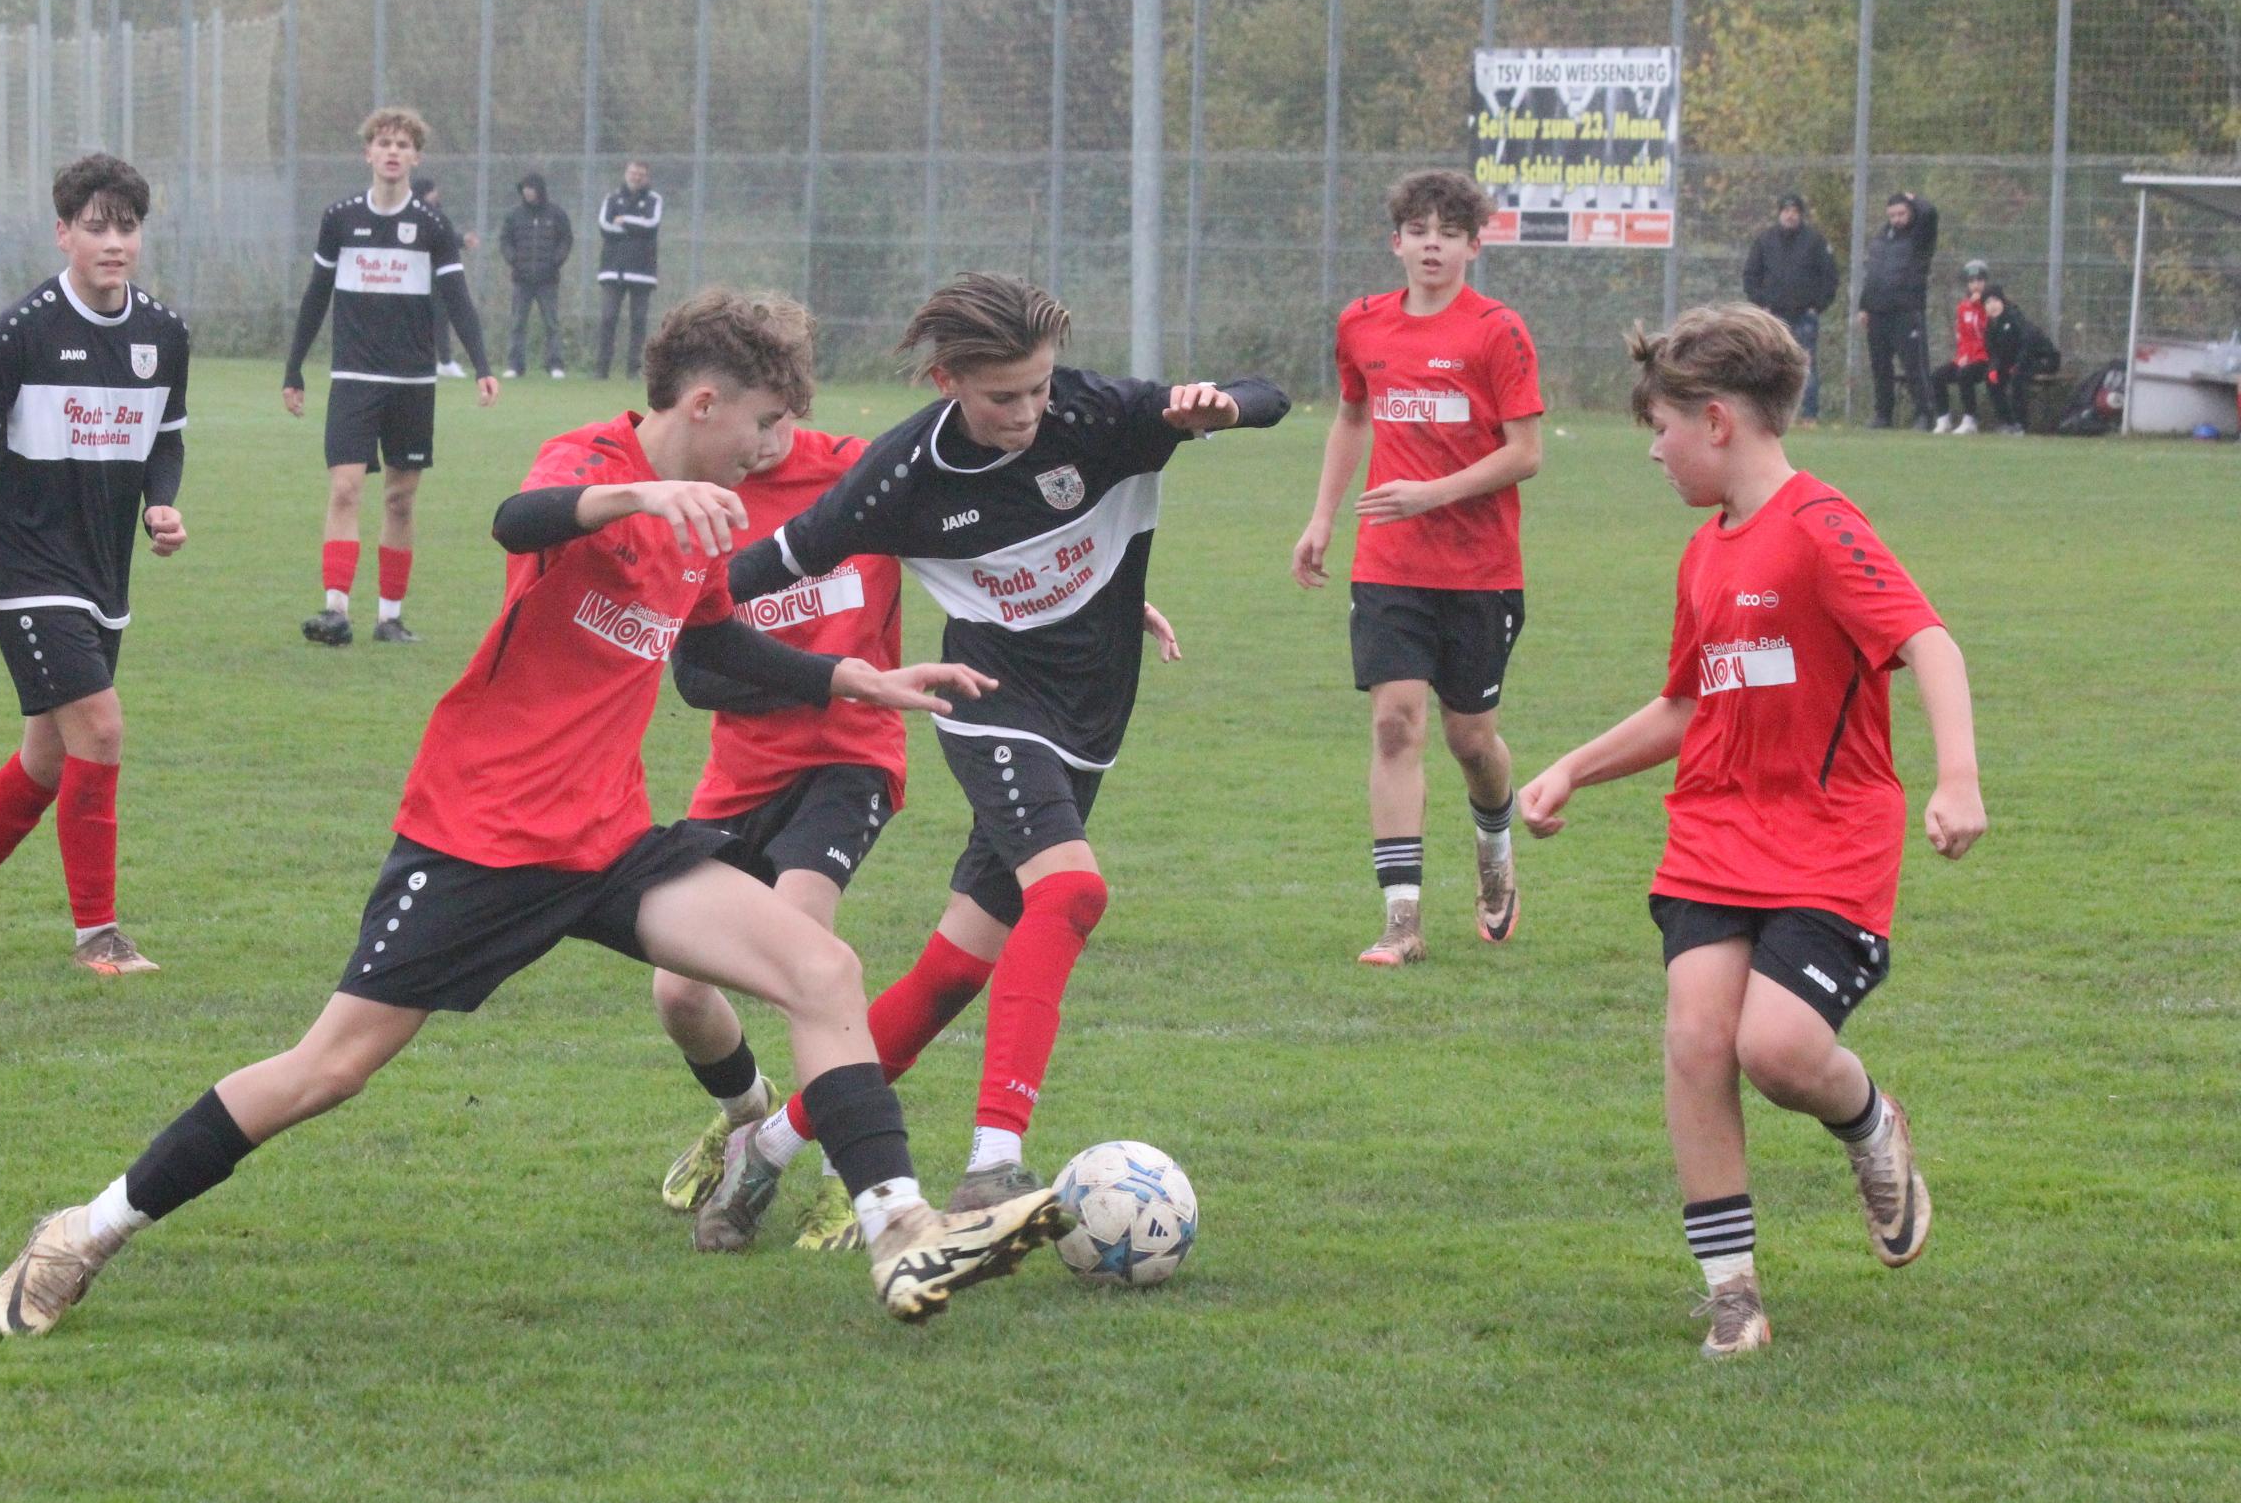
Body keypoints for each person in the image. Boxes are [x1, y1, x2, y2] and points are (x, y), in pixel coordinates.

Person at [0, 289, 1070, 1340]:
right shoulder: (600, 462)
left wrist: (854, 685)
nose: (773, 445)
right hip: (482, 839)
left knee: (823, 971)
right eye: (764, 422)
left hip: (608, 840)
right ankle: (84, 1231)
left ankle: (899, 1231)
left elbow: (712, 646)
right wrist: (639, 499)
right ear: (704, 404)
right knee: (329, 1069)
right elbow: (521, 520)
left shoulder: (707, 519)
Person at [691, 272, 1288, 1231]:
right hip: (990, 705)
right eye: (1003, 395)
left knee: (947, 977)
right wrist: (659, 597)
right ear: (946, 381)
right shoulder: (902, 475)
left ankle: (766, 1149)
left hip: (1091, 719)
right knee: (1072, 892)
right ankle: (993, 1163)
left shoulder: (1097, 416)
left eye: (1039, 387)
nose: (1028, 411)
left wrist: (1218, 405)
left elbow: (1270, 394)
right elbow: (767, 569)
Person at [1515, 304, 1986, 1358]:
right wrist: (1573, 770)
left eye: (1662, 427)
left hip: (1828, 840)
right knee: (1695, 1039)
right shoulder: (1704, 555)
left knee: (1776, 1051)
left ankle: (1869, 1123)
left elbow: (1929, 642)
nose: (1653, 448)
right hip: (1716, 836)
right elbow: (1689, 706)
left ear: (1717, 420)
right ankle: (1732, 1292)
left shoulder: (1821, 528)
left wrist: (1958, 778)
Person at [0, 152, 189, 979]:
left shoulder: (164, 334)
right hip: (25, 567)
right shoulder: (22, 330)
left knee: (48, 757)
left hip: (104, 572)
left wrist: (160, 504)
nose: (114, 242)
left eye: (127, 226)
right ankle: (98, 936)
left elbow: (164, 439)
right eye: (95, 226)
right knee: (101, 728)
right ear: (63, 232)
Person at [649, 415, 909, 1253]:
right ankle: (745, 1117)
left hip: (850, 761)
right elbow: (694, 676)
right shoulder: (705, 499)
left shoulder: (862, 474)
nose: (756, 441)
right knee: (679, 992)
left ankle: (848, 1175)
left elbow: (982, 537)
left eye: (771, 419)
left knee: (803, 954)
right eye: (740, 420)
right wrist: (827, 680)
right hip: (739, 772)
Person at [1290, 168, 1544, 968]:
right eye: (1419, 229)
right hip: (1389, 565)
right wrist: (1324, 517)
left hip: (1481, 573)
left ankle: (1495, 850)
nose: (1432, 243)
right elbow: (1351, 416)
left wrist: (1430, 493)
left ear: (1475, 244)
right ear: (1396, 241)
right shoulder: (1362, 325)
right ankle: (1401, 921)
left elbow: (1526, 453)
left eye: (1449, 230)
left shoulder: (1497, 332)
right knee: (1395, 723)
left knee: (1472, 742)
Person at [283, 108, 496, 649]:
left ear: (416, 156)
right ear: (369, 153)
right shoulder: (339, 219)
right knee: (346, 488)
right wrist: (294, 367)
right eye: (384, 142)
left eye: (403, 143)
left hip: (412, 383)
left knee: (400, 500)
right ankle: (335, 610)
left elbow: (457, 299)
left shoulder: (431, 228)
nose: (393, 151)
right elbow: (315, 296)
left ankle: (390, 618)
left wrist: (482, 366)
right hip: (353, 378)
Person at [1740, 192, 1838, 422]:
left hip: (1804, 315)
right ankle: (1770, 415)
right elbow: (1750, 275)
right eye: (1786, 211)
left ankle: (1809, 416)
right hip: (1772, 316)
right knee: (1768, 366)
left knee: (1806, 366)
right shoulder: (1765, 240)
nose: (1790, 215)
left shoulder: (1815, 241)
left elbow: (1830, 277)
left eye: (1795, 211)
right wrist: (1761, 304)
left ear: (1801, 215)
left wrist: (1817, 306)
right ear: (1779, 214)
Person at [1857, 190, 1939, 428]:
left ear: (1911, 211)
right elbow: (1873, 275)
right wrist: (1865, 306)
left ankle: (1925, 414)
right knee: (1880, 366)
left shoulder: (1920, 236)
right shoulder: (1883, 237)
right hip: (1878, 312)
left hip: (1906, 310)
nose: (1897, 219)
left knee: (1915, 365)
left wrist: (1914, 199)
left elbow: (1930, 213)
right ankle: (1883, 415)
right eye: (1892, 214)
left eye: (1902, 213)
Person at [498, 169, 573, 379]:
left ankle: (555, 364)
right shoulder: (514, 215)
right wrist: (514, 260)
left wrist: (555, 262)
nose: (528, 193)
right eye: (524, 189)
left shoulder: (556, 214)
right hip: (521, 280)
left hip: (548, 280)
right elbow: (505, 241)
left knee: (551, 323)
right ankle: (515, 365)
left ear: (540, 190)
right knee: (517, 323)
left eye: (531, 189)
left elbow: (566, 240)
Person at [411, 172, 485, 379]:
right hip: (417, 277)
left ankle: (444, 361)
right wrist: (461, 239)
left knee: (441, 318)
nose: (437, 194)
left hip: (438, 276)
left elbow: (442, 238)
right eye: (433, 190)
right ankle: (422, 359)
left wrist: (461, 240)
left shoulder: (436, 213)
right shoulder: (416, 214)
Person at [594, 160, 662, 381]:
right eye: (632, 172)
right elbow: (605, 226)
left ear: (647, 177)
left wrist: (624, 220)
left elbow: (651, 225)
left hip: (642, 272)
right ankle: (601, 369)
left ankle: (634, 370)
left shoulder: (654, 200)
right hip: (613, 270)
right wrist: (635, 226)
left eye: (640, 174)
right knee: (608, 318)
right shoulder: (612, 198)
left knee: (639, 321)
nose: (636, 177)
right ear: (626, 173)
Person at [1982, 284, 2061, 435]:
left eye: (1995, 300)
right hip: (2017, 362)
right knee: (1991, 379)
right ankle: (2007, 422)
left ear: (2002, 301)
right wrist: (1993, 368)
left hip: (2043, 359)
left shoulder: (2014, 318)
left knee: (2018, 377)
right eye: (1987, 302)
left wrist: (2017, 365)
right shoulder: (1991, 327)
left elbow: (2027, 345)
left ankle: (2020, 424)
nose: (1992, 306)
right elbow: (1993, 352)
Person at [1930, 259, 1994, 434]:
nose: (1976, 285)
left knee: (1964, 374)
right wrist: (1963, 356)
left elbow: (1989, 336)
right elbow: (1964, 338)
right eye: (1972, 281)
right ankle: (1943, 419)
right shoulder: (1963, 308)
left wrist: (1980, 305)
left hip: (1985, 359)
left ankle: (1970, 420)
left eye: (1979, 281)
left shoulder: (1992, 306)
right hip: (1967, 357)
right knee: (1937, 376)